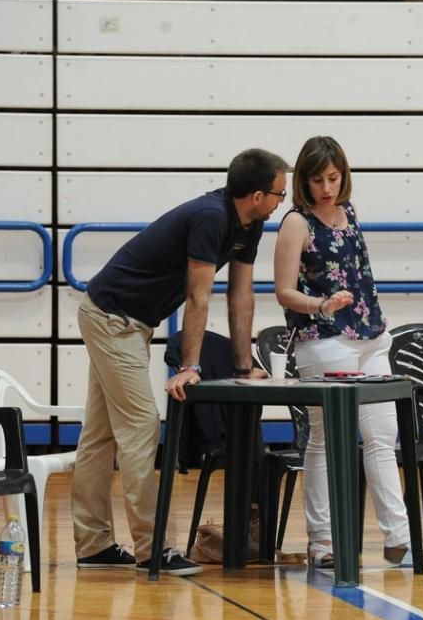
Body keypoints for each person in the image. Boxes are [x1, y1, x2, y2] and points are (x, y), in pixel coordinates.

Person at [73, 148, 290, 576]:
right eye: (280, 194)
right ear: (257, 195)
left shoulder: (250, 225)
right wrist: (190, 365)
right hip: (113, 318)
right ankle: (154, 549)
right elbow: (198, 296)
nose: (283, 202)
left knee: (101, 434)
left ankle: (93, 544)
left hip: (125, 321)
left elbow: (240, 296)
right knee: (140, 426)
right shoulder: (211, 217)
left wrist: (243, 366)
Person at [273, 136, 423, 568]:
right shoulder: (296, 222)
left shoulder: (349, 213)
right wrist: (321, 305)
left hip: (371, 337)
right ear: (304, 182)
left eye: (333, 178)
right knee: (324, 441)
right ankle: (323, 542)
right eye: (317, 180)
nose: (327, 188)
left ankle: (400, 539)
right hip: (324, 341)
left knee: (383, 437)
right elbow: (284, 292)